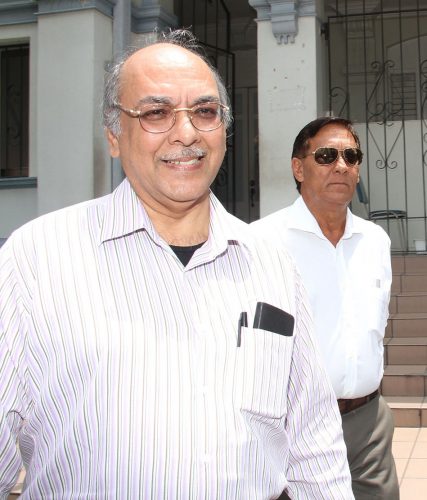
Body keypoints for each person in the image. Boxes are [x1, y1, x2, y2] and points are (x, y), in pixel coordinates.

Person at [0, 31, 353, 499]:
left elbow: (314, 442)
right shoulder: (36, 261)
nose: (186, 133)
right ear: (113, 135)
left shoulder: (271, 265)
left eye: (205, 112)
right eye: (155, 112)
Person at [252, 116, 399, 499]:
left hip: (370, 422)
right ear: (298, 167)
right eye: (326, 155)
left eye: (352, 156)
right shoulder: (261, 242)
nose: (342, 166)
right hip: (297, 425)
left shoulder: (375, 241)